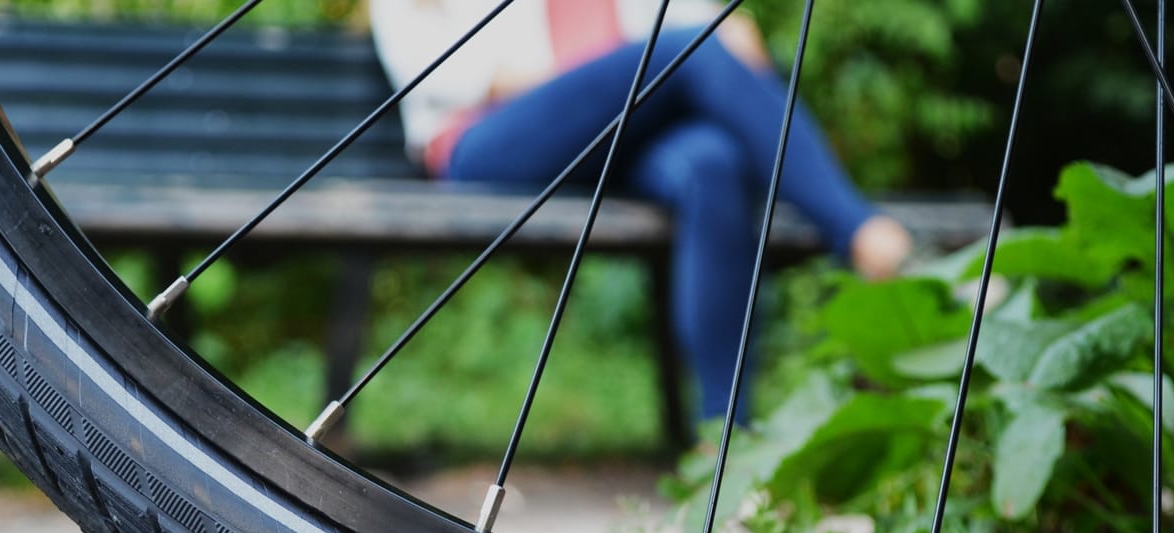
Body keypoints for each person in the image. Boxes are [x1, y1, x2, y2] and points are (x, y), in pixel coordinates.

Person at [370, 0, 912, 422]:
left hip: (618, 135)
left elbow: (717, 32)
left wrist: (661, 65)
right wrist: (621, 75)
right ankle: (865, 235)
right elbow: (452, 73)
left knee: (712, 164)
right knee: (690, 50)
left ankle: (722, 440)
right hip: (488, 141)